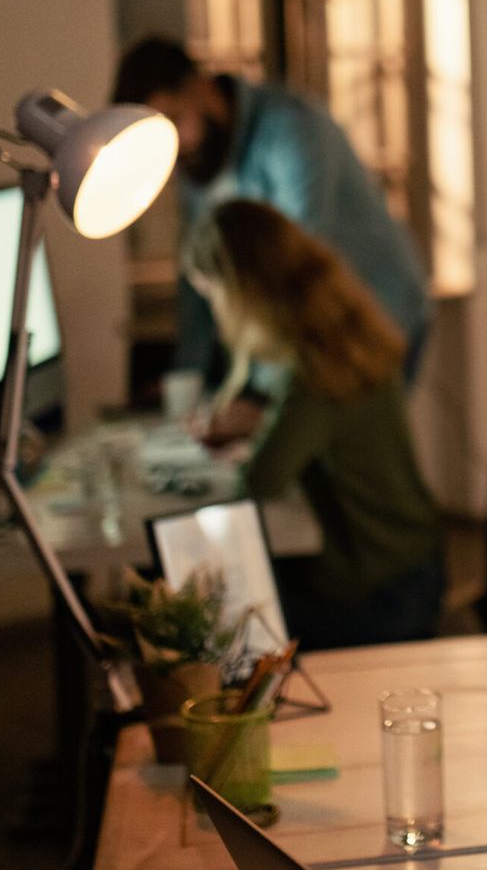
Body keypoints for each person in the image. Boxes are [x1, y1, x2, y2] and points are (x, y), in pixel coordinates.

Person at [112, 38, 433, 428]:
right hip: (312, 335)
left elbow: (292, 276)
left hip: (378, 313)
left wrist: (254, 397)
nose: (174, 145)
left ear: (202, 88)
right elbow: (197, 275)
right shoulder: (197, 159)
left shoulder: (292, 130)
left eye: (175, 121)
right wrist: (186, 383)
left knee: (357, 464)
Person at [183, 198, 444, 649]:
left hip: (381, 596)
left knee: (216, 615)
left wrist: (255, 430)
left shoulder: (314, 376)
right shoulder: (344, 337)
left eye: (213, 297)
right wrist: (264, 422)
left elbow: (259, 483)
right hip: (416, 565)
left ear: (240, 292)